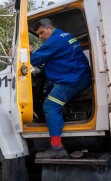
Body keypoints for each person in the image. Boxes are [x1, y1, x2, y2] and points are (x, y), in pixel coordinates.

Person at [30, 18, 91, 159]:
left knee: (50, 106)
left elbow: (34, 59)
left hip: (73, 80)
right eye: (38, 34)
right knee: (50, 91)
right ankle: (58, 125)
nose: (40, 37)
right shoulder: (66, 35)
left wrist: (18, 56)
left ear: (50, 28)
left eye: (41, 33)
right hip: (80, 75)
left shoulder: (54, 41)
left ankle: (57, 147)